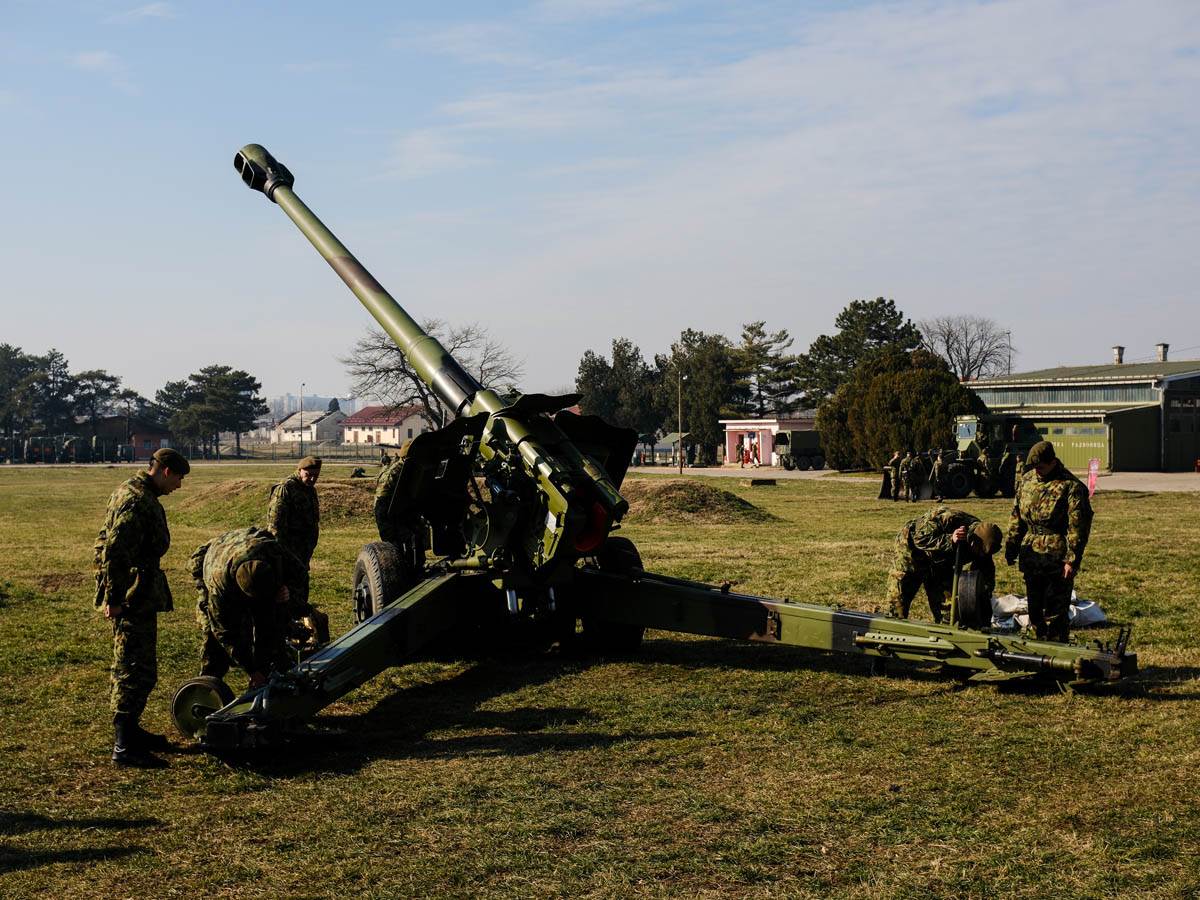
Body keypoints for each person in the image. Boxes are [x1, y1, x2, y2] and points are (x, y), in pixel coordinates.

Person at [93, 447, 189, 768]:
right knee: (133, 667)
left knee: (140, 665)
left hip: (138, 592)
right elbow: (115, 551)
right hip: (131, 597)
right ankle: (124, 746)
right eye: (178, 478)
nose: (179, 486)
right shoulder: (137, 501)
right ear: (164, 472)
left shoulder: (135, 492)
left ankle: (131, 732)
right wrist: (114, 599)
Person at [1004, 441, 1093, 642]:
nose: (1038, 471)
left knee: (1055, 613)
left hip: (1056, 557)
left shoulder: (1071, 486)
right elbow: (1017, 516)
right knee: (1034, 609)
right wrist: (1012, 546)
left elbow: (1078, 527)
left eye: (1041, 467)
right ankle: (1038, 649)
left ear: (1053, 462)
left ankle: (1057, 653)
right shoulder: (1027, 480)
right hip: (1032, 554)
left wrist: (1072, 559)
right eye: (1034, 467)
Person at [191, 527, 303, 687]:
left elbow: (299, 575)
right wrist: (251, 670)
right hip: (209, 559)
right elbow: (224, 633)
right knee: (212, 635)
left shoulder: (272, 550)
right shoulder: (219, 587)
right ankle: (206, 686)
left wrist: (288, 590)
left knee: (271, 615)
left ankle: (273, 665)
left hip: (246, 544)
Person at [886, 505, 1002, 623]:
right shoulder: (949, 518)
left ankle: (944, 632)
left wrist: (983, 599)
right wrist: (950, 539)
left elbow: (985, 577)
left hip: (941, 563)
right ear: (972, 542)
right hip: (912, 552)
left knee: (948, 608)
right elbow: (919, 539)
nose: (980, 555)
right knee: (898, 603)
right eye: (979, 552)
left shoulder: (985, 543)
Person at [267, 455, 330, 646]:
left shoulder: (309, 490)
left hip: (302, 555)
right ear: (299, 470)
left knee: (300, 595)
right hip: (288, 555)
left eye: (315, 476)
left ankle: (298, 635)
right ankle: (283, 637)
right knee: (287, 597)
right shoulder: (285, 489)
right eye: (308, 474)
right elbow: (275, 527)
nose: (311, 479)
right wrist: (281, 558)